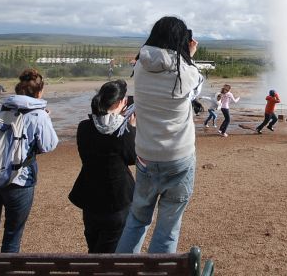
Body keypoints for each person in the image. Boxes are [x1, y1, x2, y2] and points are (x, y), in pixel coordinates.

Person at [116, 16, 205, 254]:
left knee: (137, 219)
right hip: (178, 157)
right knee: (168, 227)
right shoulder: (184, 73)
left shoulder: (140, 66)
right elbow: (197, 87)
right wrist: (190, 56)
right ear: (182, 41)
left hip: (145, 155)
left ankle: (123, 269)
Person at [0, 68, 59, 253]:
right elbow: (48, 145)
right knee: (12, 235)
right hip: (19, 179)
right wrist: (46, 119)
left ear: (18, 90)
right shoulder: (38, 114)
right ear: (39, 92)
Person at [69, 80, 136, 253]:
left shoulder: (84, 127)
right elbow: (132, 158)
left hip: (90, 196)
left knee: (94, 243)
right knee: (109, 252)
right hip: (117, 199)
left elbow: (87, 154)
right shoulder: (124, 129)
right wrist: (132, 128)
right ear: (120, 102)